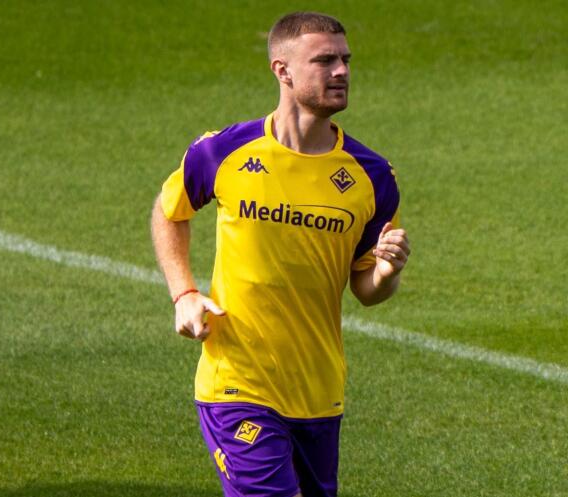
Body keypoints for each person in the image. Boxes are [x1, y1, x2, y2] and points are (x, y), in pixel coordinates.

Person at [149, 12, 410, 497]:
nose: (342, 71)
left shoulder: (372, 177)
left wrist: (388, 271)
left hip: (318, 392)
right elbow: (169, 211)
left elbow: (366, 289)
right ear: (282, 70)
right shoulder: (225, 151)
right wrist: (183, 293)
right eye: (325, 60)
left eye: (346, 60)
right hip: (237, 383)